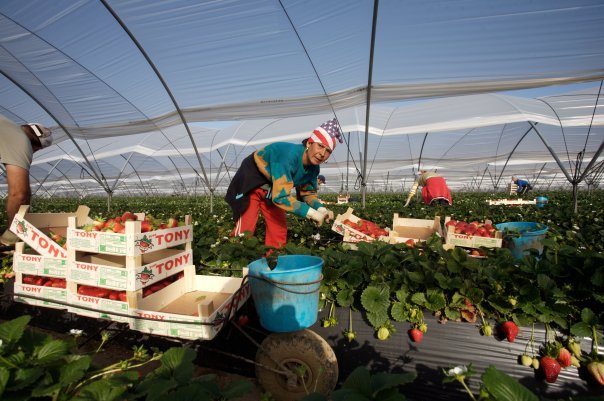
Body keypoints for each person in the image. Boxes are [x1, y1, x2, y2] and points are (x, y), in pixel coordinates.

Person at [225, 118, 342, 248]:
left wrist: (321, 209)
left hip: (273, 188)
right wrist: (312, 213)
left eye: (328, 151)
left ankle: (274, 261)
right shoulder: (288, 156)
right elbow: (280, 197)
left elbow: (308, 192)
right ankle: (233, 255)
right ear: (309, 143)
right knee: (245, 228)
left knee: (279, 229)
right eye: (320, 146)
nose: (322, 154)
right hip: (253, 181)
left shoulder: (314, 169)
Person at [0, 115, 53, 246]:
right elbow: (20, 195)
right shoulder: (21, 140)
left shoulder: (7, 128)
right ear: (36, 147)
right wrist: (14, 232)